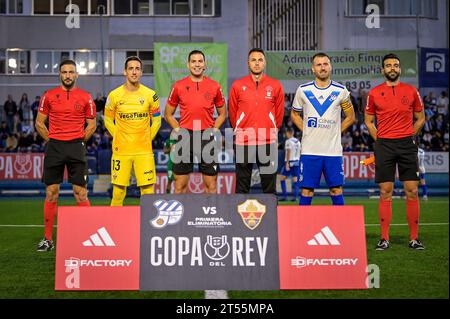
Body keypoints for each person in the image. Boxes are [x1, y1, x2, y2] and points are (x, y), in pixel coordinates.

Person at [364, 53, 426, 251]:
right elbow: (368, 121)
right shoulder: (374, 93)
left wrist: (410, 135)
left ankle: (414, 239)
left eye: (396, 65)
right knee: (385, 192)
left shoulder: (411, 91)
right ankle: (384, 238)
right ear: (383, 70)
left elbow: (420, 118)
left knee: (412, 191)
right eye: (388, 65)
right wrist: (380, 140)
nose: (392, 68)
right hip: (385, 146)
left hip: (407, 145)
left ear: (400, 69)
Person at [35, 59, 96, 251]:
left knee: (81, 193)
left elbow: (92, 125)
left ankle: (89, 238)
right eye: (64, 72)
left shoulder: (86, 97)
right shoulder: (49, 96)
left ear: (76, 75)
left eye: (71, 72)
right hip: (55, 148)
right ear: (60, 74)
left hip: (76, 147)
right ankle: (47, 239)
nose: (68, 75)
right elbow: (39, 123)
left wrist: (78, 142)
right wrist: (53, 141)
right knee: (52, 193)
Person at [290, 52, 355, 205]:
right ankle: (302, 228)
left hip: (332, 151)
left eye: (325, 64)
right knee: (306, 190)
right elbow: (294, 115)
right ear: (313, 69)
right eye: (319, 65)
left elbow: (350, 117)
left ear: (330, 66)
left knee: (336, 189)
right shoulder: (303, 90)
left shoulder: (341, 91)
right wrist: (306, 131)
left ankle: (341, 227)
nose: (322, 67)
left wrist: (335, 132)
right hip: (309, 150)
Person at [164, 50, 226, 194]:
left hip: (206, 137)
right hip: (185, 137)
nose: (197, 64)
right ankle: (181, 216)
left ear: (205, 64)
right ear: (188, 64)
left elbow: (223, 114)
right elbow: (168, 114)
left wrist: (214, 129)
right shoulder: (178, 86)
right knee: (179, 185)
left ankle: (209, 216)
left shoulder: (215, 86)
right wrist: (178, 130)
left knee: (211, 185)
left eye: (200, 61)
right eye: (193, 61)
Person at [104, 56, 161, 206]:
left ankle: (148, 229)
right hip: (121, 151)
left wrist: (149, 137)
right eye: (131, 68)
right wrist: (117, 135)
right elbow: (108, 119)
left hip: (144, 150)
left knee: (148, 193)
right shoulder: (114, 95)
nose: (134, 72)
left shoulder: (151, 95)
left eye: (137, 69)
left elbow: (157, 119)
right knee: (118, 193)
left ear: (141, 72)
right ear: (125, 72)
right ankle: (114, 227)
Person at [228, 48, 285, 194]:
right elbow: (233, 113)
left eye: (260, 60)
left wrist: (270, 130)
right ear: (248, 63)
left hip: (267, 141)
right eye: (253, 60)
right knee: (242, 186)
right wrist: (241, 130)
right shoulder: (237, 85)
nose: (257, 63)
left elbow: (279, 114)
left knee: (269, 187)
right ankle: (238, 217)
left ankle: (271, 217)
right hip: (243, 141)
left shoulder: (275, 85)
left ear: (265, 63)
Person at [279, 127, 301, 201]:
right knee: (295, 180)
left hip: (290, 161)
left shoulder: (288, 141)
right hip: (297, 162)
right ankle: (295, 197)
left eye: (286, 133)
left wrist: (287, 163)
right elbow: (300, 152)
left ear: (289, 133)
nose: (286, 134)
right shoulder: (298, 141)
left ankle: (285, 197)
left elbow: (288, 152)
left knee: (282, 178)